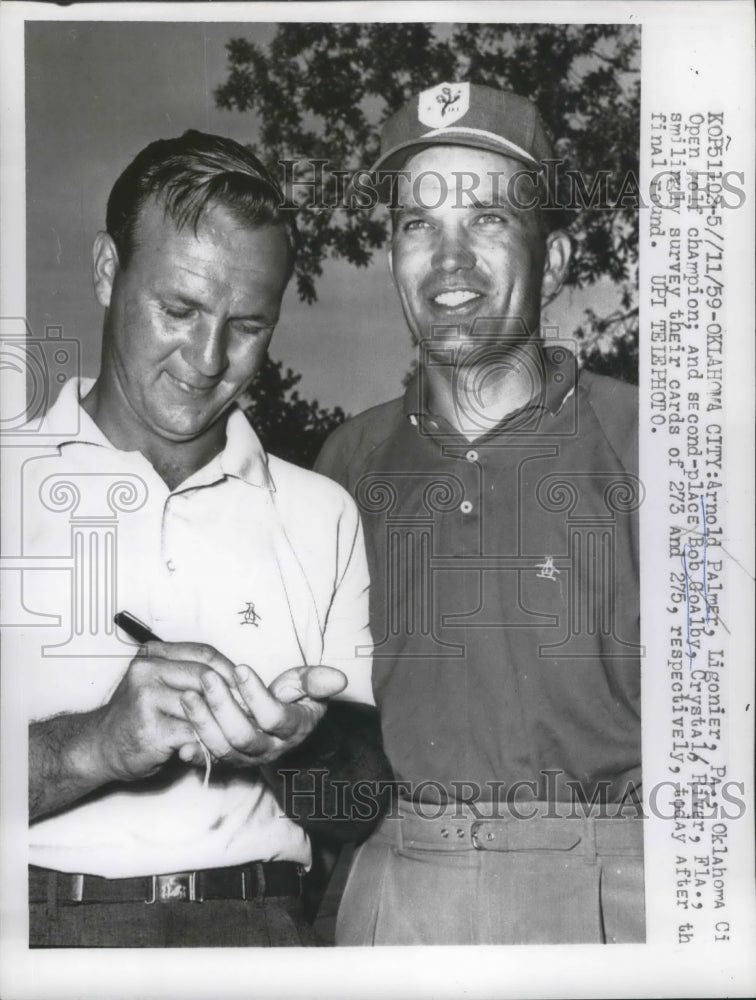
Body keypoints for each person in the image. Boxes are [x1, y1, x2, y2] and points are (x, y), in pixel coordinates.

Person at [19, 130, 377, 947]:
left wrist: (300, 748)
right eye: (178, 310)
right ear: (109, 271)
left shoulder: (322, 512)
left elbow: (357, 809)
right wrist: (97, 745)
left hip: (260, 929)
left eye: (247, 325)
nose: (208, 358)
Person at [316, 83, 644, 945]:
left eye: (489, 219)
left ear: (558, 256)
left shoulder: (653, 442)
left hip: (617, 888)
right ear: (391, 256)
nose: (449, 262)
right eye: (418, 226)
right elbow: (335, 756)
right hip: (401, 888)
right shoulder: (344, 469)